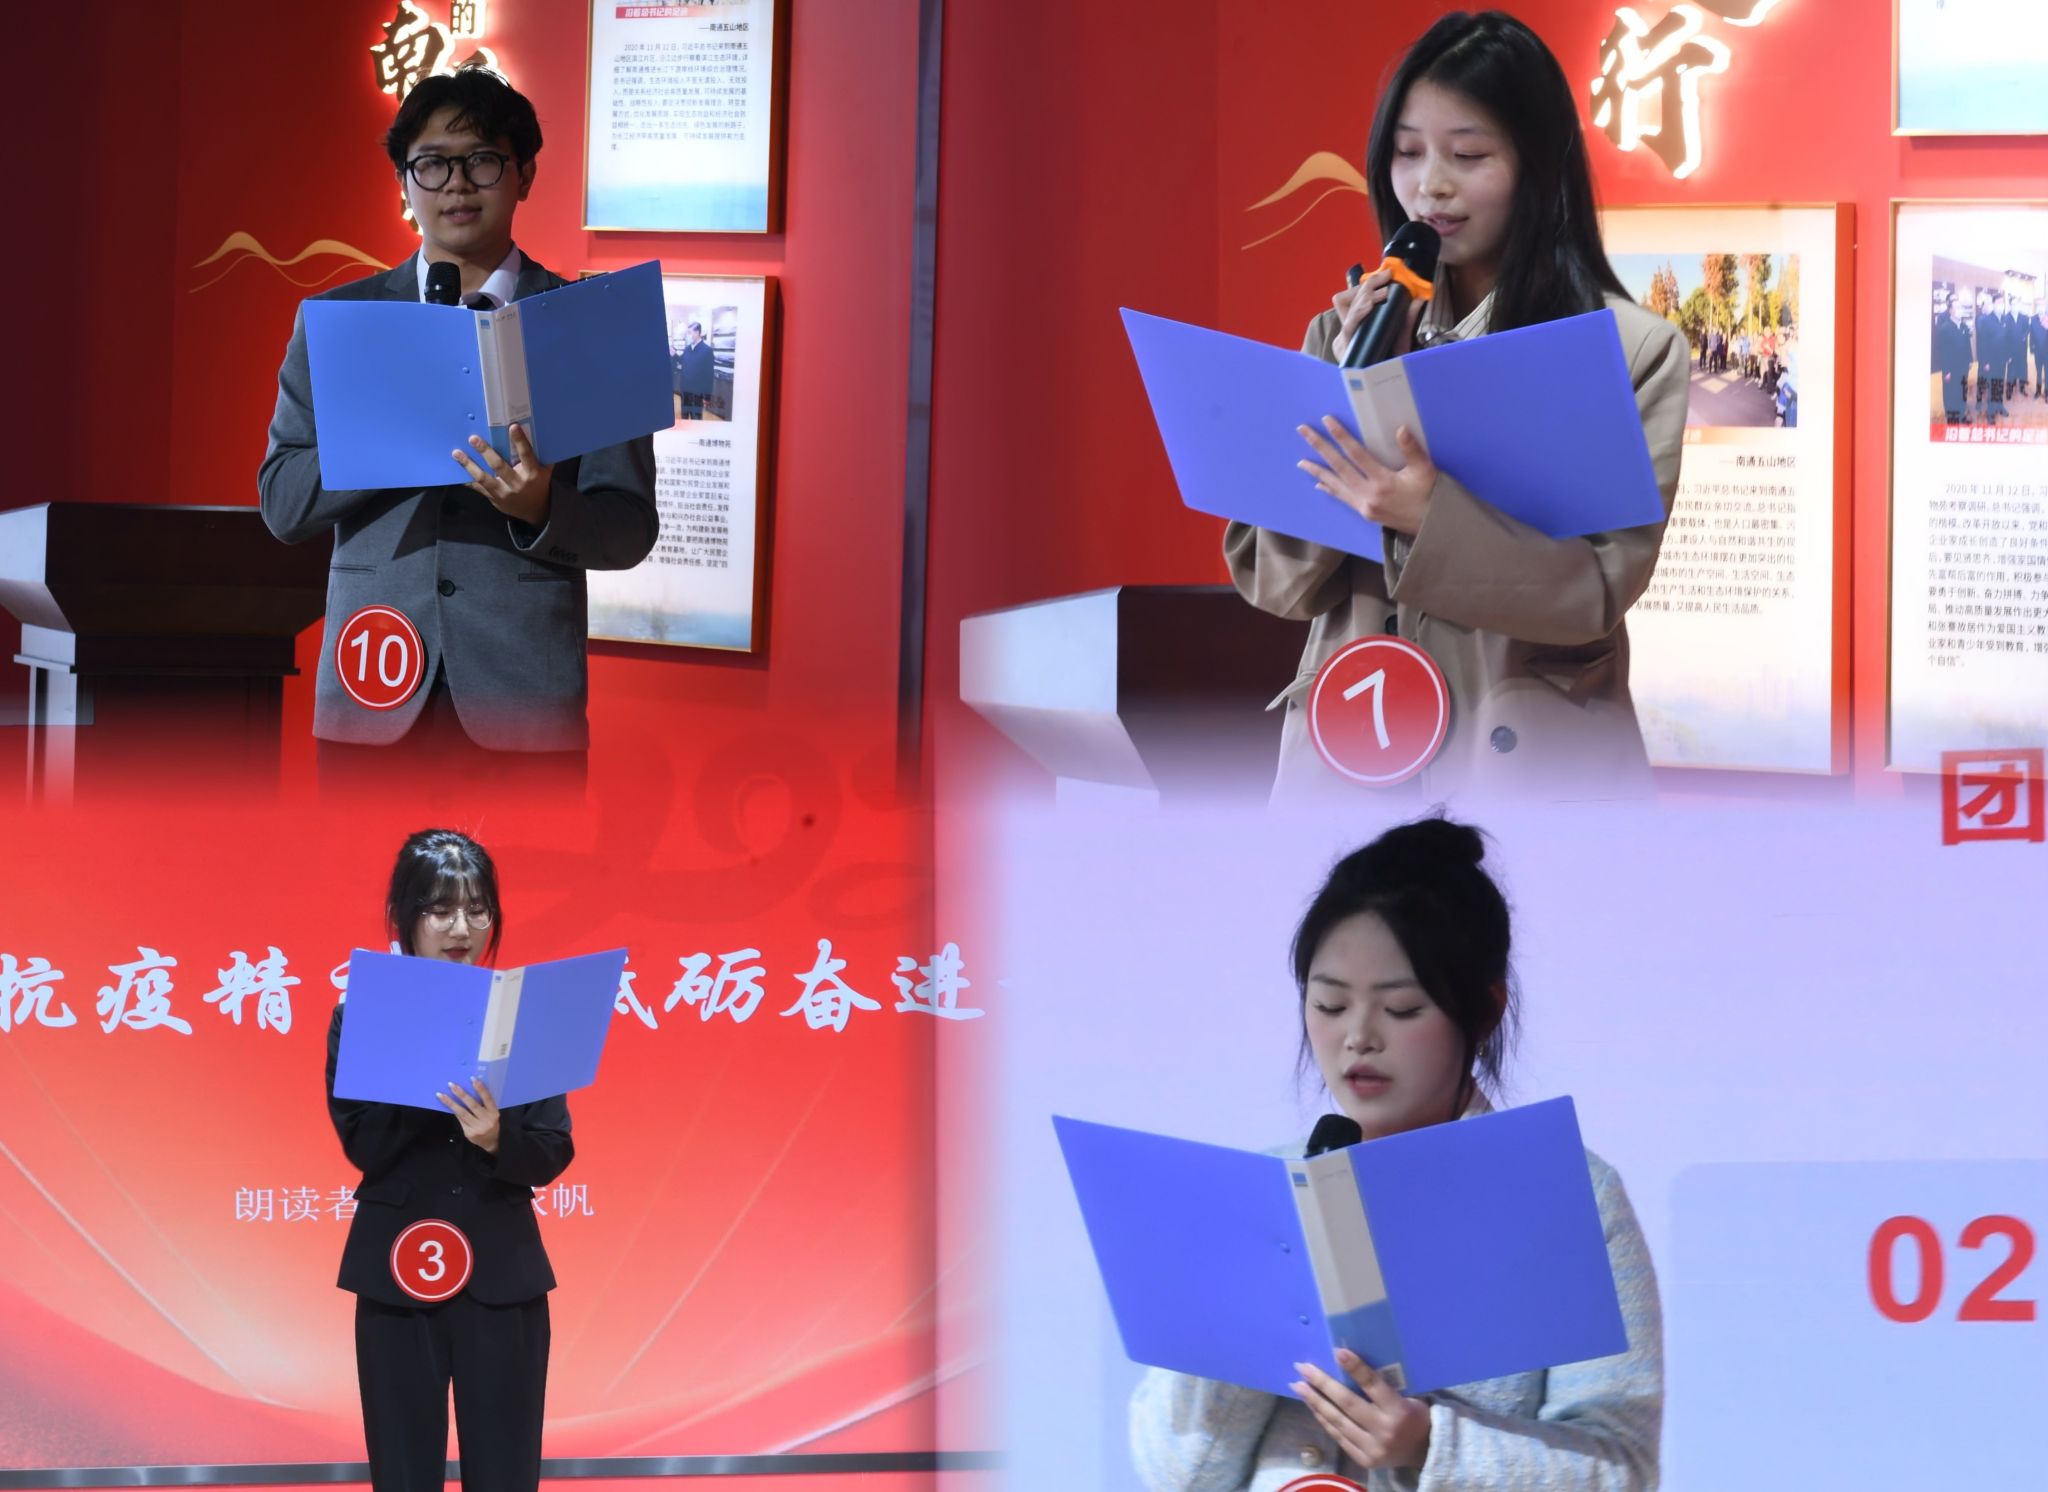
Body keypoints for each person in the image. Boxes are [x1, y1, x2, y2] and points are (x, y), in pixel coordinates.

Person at [1226, 11, 1689, 800]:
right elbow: (1275, 583)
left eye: (1468, 155)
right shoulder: (1339, 336)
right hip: (1351, 772)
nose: (1430, 185)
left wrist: (1430, 516)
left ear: (1538, 166)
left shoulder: (1628, 351)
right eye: (1408, 153)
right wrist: (1353, 379)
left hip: (1536, 783)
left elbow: (1597, 592)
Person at [1129, 816, 1661, 1491]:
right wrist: (1235, 1342)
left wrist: (1429, 1444)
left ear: (1485, 1011)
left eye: (1402, 1009)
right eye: (1329, 1004)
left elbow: (1625, 1471)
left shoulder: (1566, 1195)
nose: (1358, 1037)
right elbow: (1176, 1473)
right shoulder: (1258, 1192)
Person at [259, 66, 658, 769]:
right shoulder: (342, 320)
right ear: (403, 182)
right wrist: (386, 437)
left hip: (523, 698)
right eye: (432, 165)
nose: (457, 186)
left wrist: (541, 509)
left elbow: (628, 528)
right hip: (370, 686)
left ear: (524, 175)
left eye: (481, 161)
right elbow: (284, 505)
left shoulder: (590, 326)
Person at [325, 829, 573, 1492]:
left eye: (477, 909)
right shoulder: (362, 1014)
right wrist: (423, 1064)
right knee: (404, 1471)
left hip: (503, 1275)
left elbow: (552, 1147)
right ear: (403, 918)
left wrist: (496, 1138)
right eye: (439, 910)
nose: (461, 928)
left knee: (506, 1471)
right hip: (395, 1273)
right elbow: (363, 1145)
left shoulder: (523, 1015)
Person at [675, 320, 717, 420]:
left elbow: (709, 375)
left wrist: (707, 396)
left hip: (697, 394)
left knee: (696, 420)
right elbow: (682, 361)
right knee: (684, 419)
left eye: (689, 333)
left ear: (697, 332)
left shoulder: (707, 351)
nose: (687, 335)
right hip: (685, 392)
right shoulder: (687, 349)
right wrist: (675, 355)